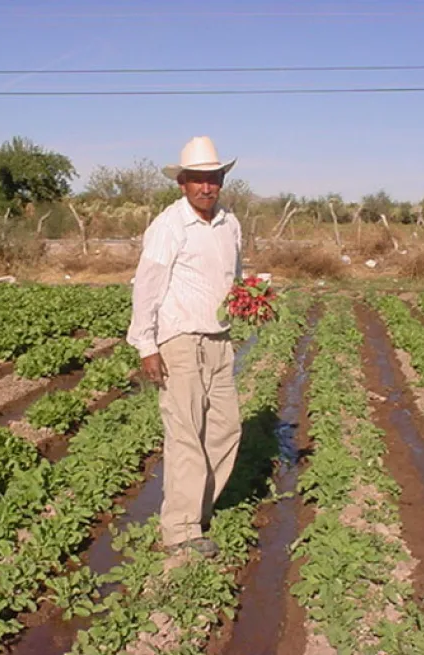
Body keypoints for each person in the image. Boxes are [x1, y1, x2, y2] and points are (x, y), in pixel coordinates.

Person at [127, 136, 243, 558]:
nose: (206, 187)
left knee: (227, 428)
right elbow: (147, 288)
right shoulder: (168, 227)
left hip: (219, 339)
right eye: (197, 180)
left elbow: (235, 275)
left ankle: (199, 509)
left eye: (212, 179)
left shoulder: (230, 223)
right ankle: (180, 530)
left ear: (221, 181)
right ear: (182, 183)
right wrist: (146, 344)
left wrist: (248, 300)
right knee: (185, 435)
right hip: (178, 341)